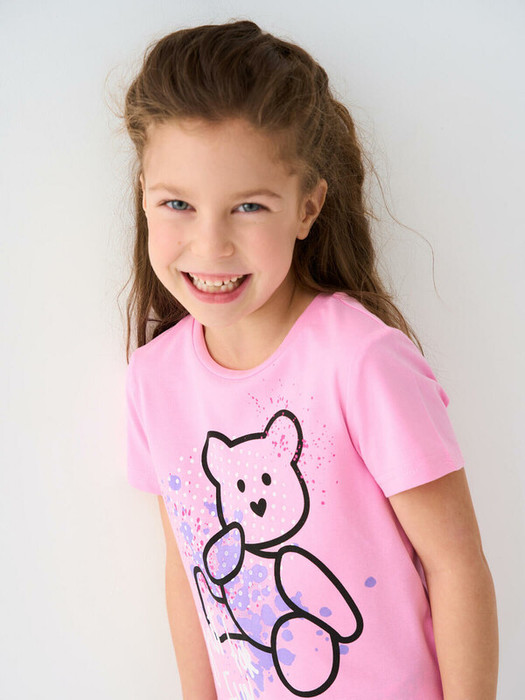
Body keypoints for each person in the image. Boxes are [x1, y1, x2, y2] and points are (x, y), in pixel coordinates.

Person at [121, 20, 498, 699]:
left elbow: (455, 565)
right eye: (177, 203)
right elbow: (188, 569)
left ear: (307, 207)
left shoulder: (359, 362)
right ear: (145, 194)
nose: (210, 245)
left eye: (247, 206)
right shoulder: (154, 381)